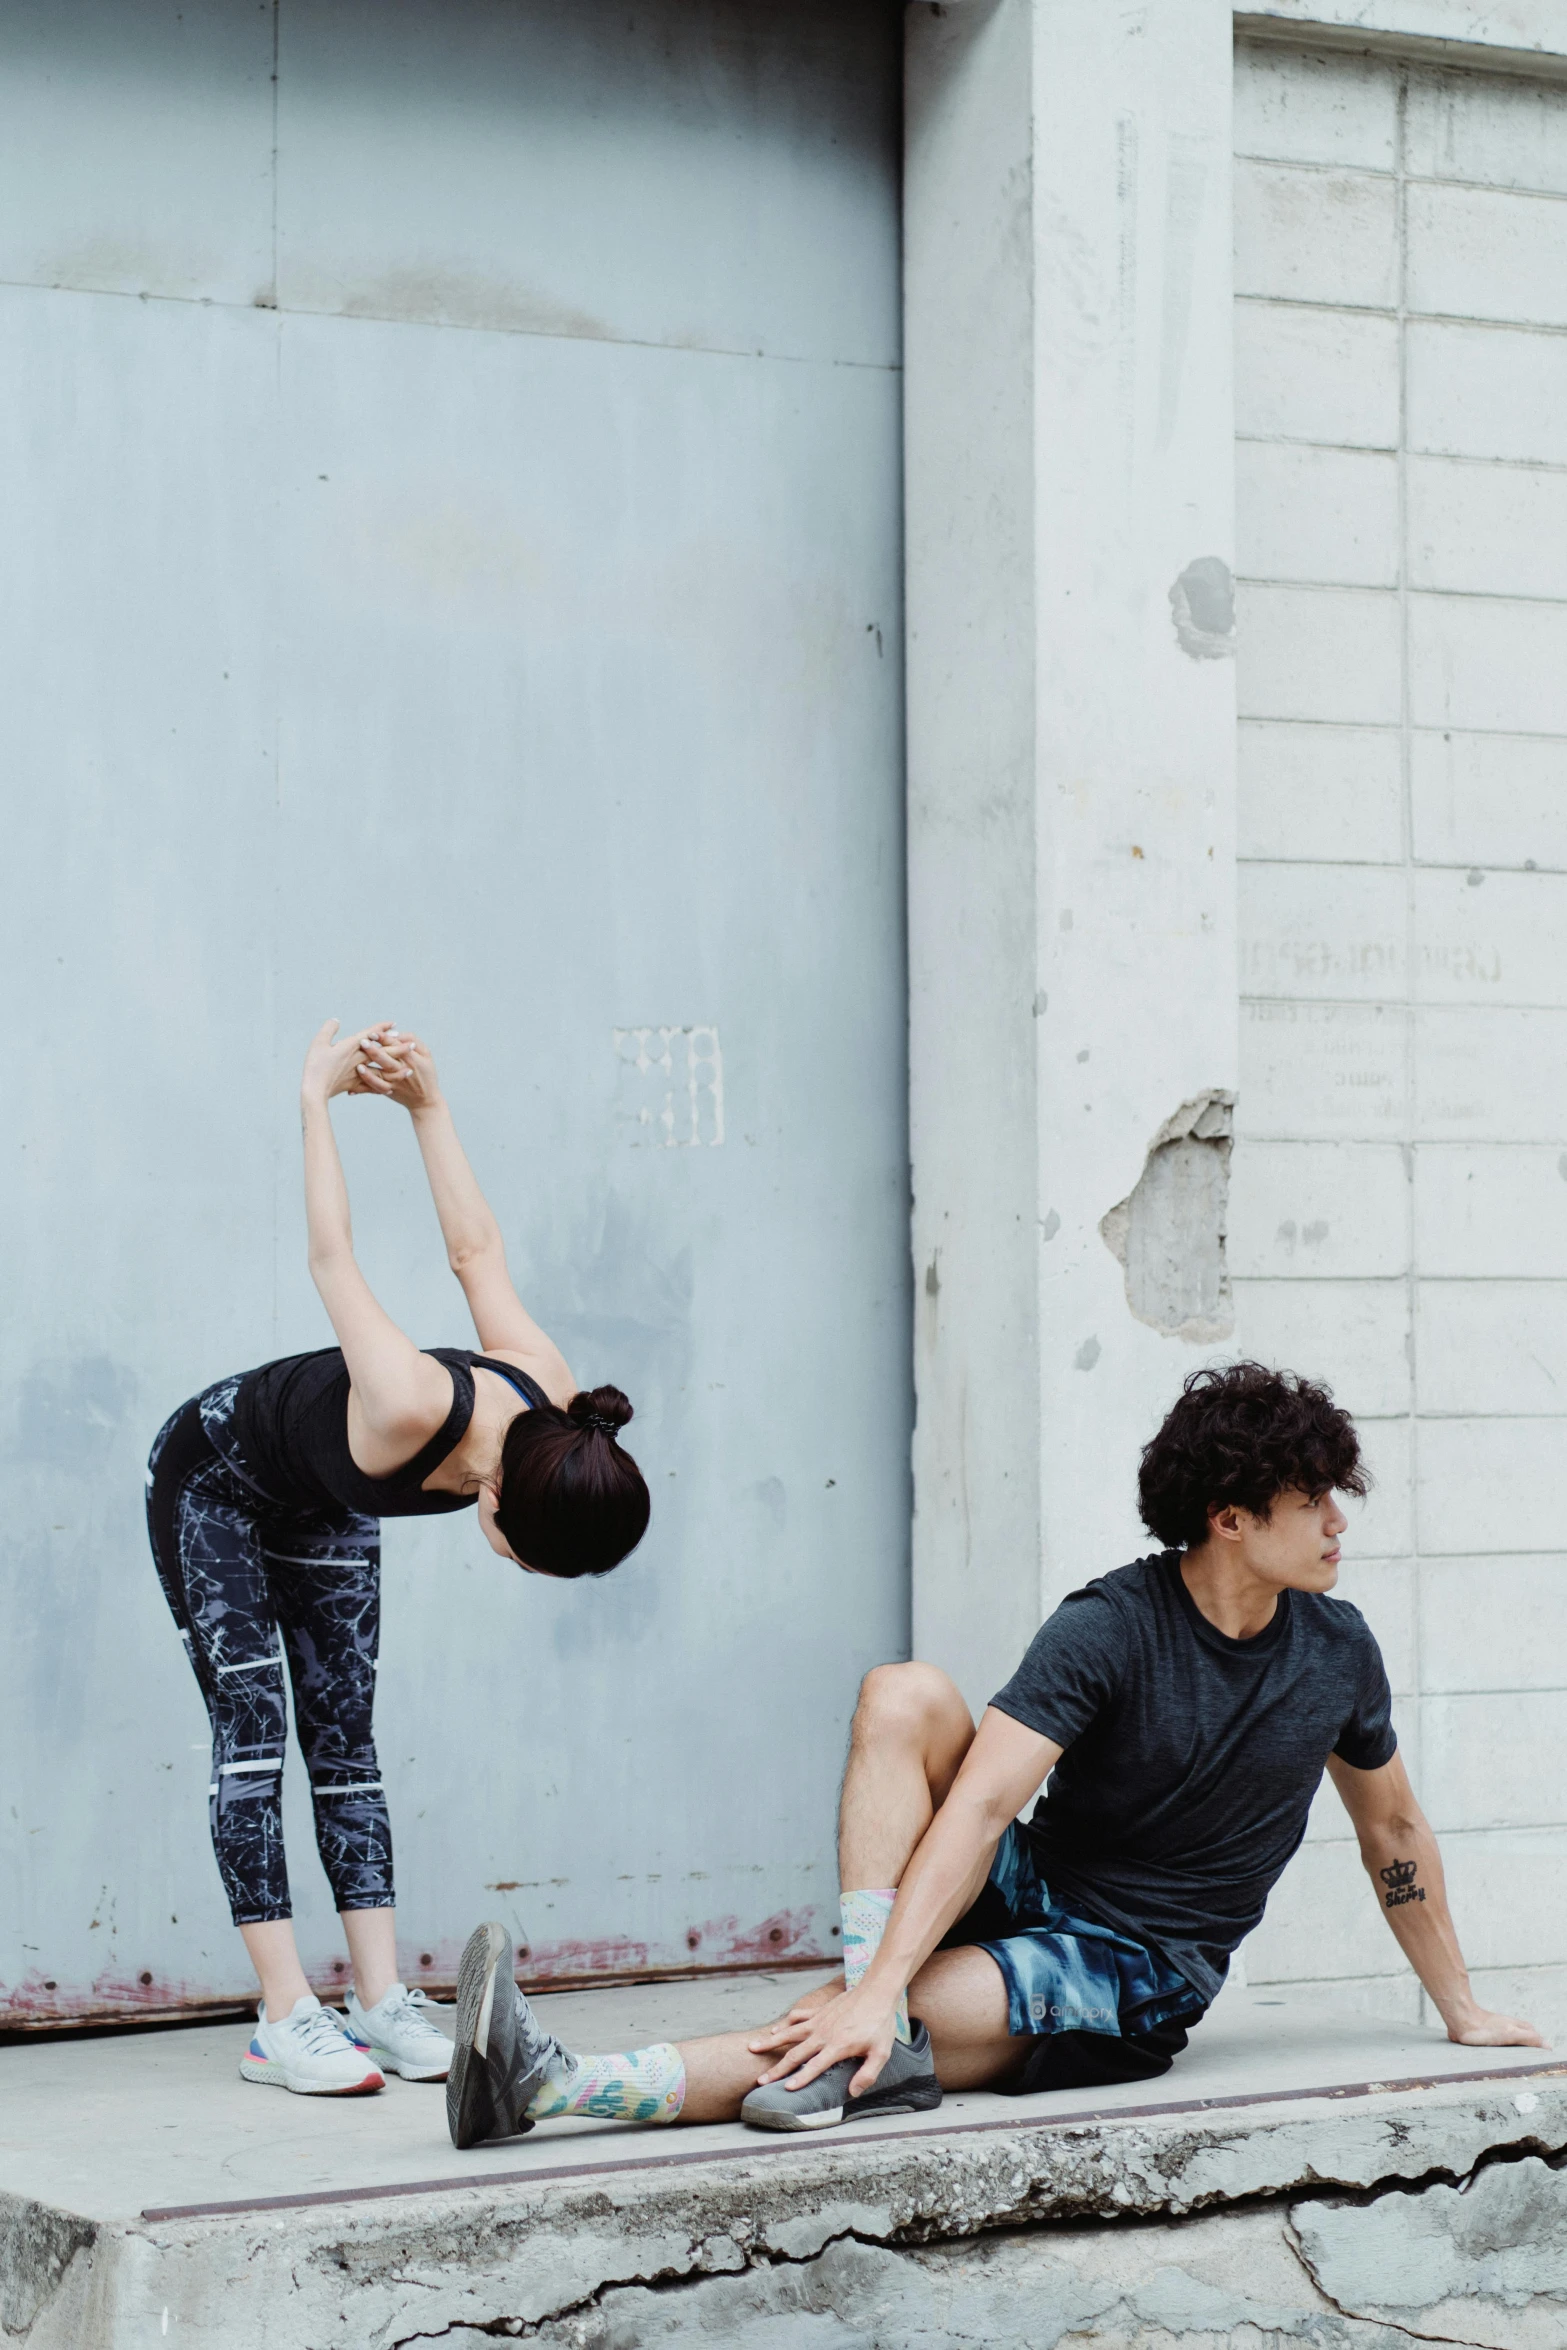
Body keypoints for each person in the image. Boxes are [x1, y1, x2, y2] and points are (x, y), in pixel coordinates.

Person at [441, 1363, 1542, 2146]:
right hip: (1038, 1885)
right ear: (1231, 1518)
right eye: (1311, 1500)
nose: (1337, 1522)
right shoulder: (1109, 1625)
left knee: (863, 2026)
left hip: (1130, 1975)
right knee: (904, 1695)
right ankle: (884, 2018)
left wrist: (1459, 2007)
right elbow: (974, 1808)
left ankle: (557, 2085)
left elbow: (1392, 1830)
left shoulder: (1337, 1652)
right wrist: (878, 1983)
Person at [146, 1021, 650, 2098]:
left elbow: (478, 1253)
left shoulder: (554, 1405)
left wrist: (428, 1106)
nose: (514, 1567)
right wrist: (316, 1103)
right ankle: (281, 2014)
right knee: (253, 1730)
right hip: (216, 1480)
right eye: (527, 1557)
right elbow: (334, 1258)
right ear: (504, 1491)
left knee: (346, 1735)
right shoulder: (413, 1398)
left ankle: (375, 2002)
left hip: (319, 1494)